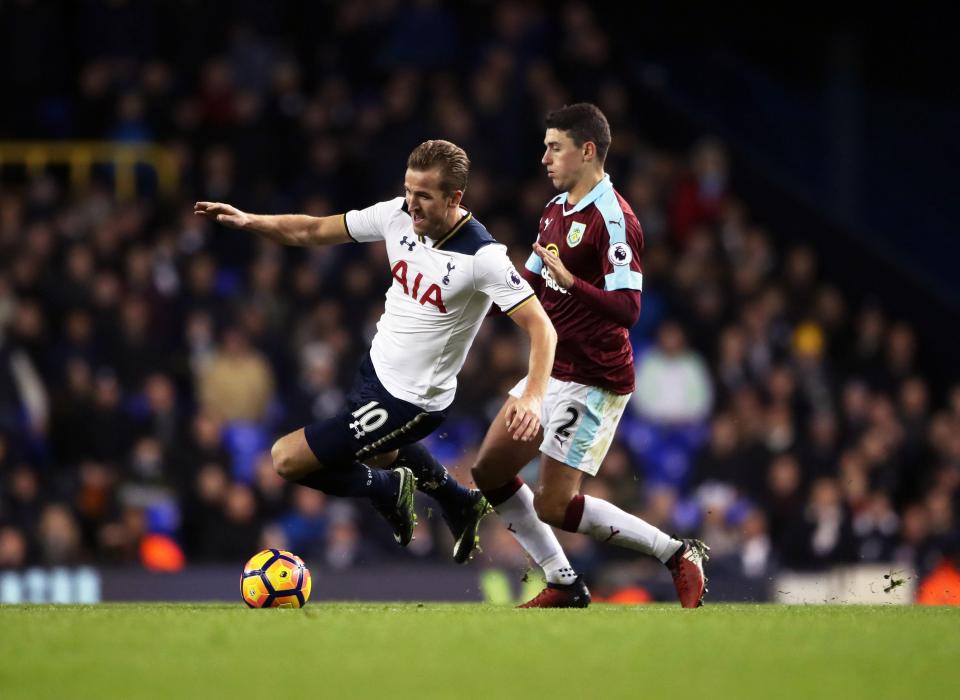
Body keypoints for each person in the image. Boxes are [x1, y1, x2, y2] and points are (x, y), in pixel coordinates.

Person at [195, 139, 556, 563]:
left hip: (412, 400)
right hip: (375, 371)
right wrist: (250, 221)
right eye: (408, 190)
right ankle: (459, 501)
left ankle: (387, 489)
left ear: (454, 198)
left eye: (424, 195)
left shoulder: (482, 257)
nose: (412, 204)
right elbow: (312, 230)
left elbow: (542, 329)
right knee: (383, 451)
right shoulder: (396, 215)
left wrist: (532, 394)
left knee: (286, 460)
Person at [471, 104, 709, 607]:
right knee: (489, 470)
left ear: (587, 151)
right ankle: (563, 582)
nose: (544, 158)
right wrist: (468, 312)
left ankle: (676, 553)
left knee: (555, 503)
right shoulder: (555, 209)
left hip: (594, 377)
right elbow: (530, 283)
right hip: (550, 366)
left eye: (554, 147)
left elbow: (629, 309)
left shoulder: (616, 220)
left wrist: (572, 283)